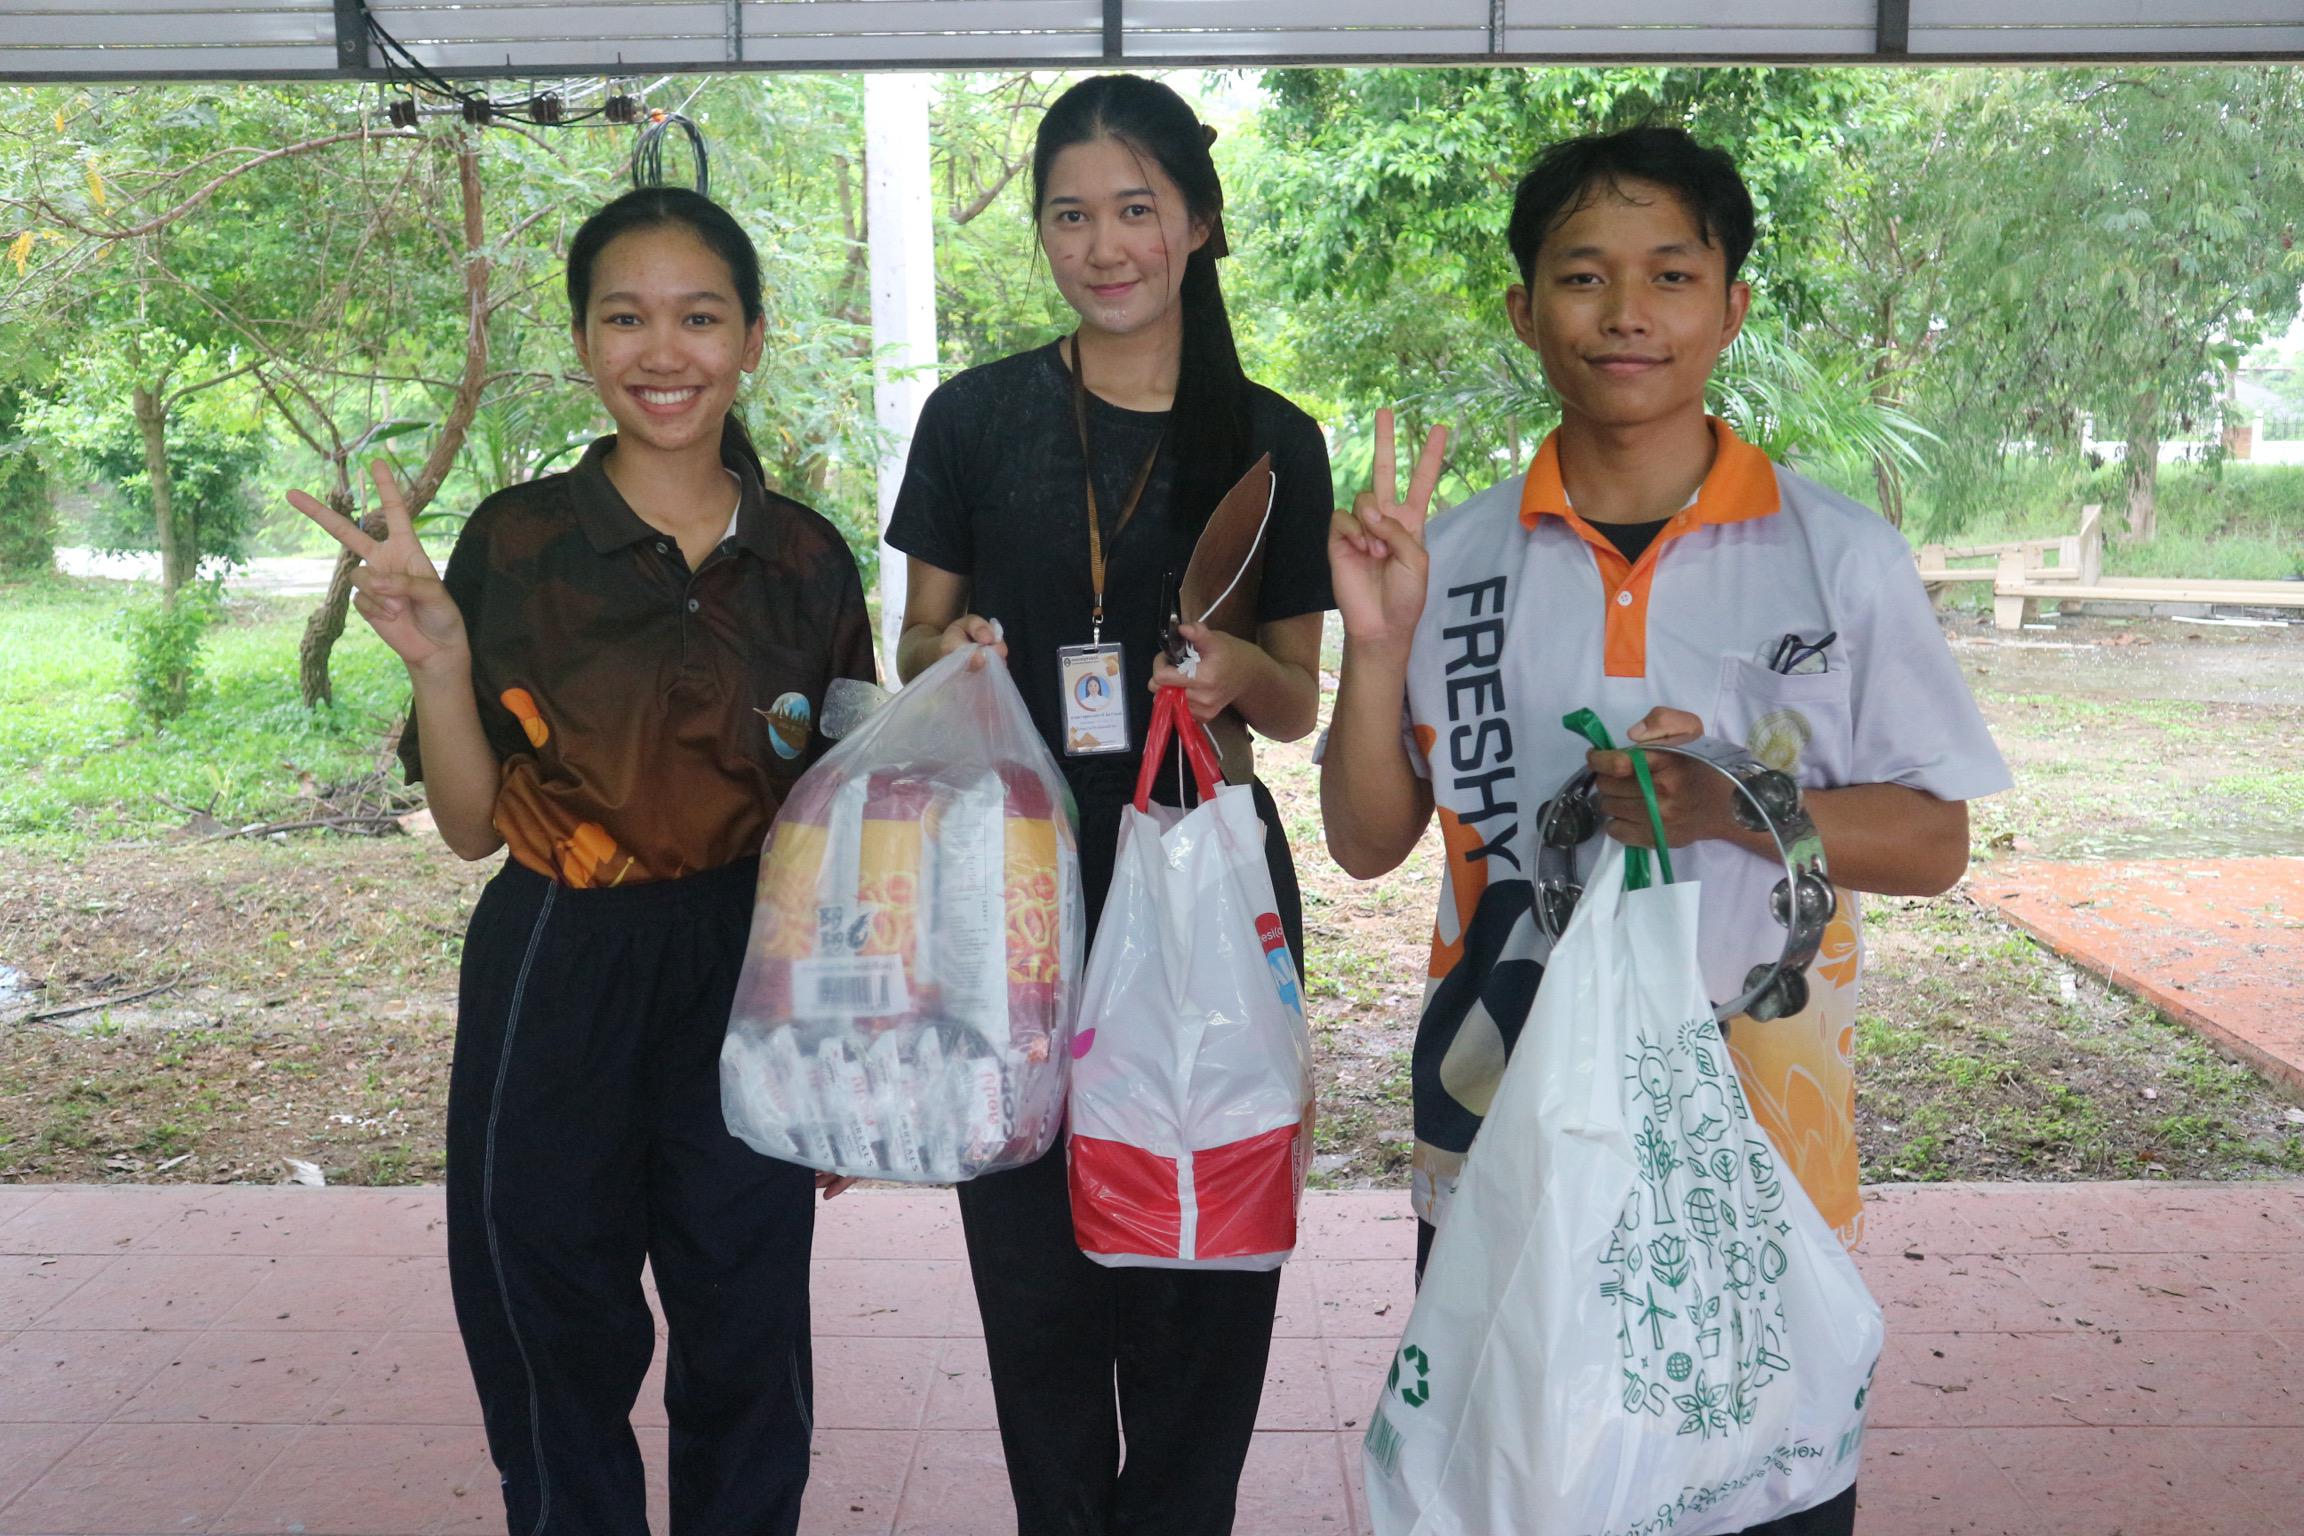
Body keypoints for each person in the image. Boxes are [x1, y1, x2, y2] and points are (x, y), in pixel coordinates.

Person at [1319, 125, 2009, 1536]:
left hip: (1759, 1136)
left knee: (1758, 1495)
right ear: (1524, 311)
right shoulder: (1455, 556)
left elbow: (1934, 844)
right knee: (1517, 1490)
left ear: (1732, 304)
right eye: (1582, 275)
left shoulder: (1835, 556)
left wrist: (1743, 812)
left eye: (1672, 273)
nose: (1627, 311)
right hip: (1507, 1127)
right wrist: (1375, 652)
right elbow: (1366, 841)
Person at [288, 185, 875, 1534]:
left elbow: (836, 823)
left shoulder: (805, 561)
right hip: (560, 956)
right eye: (626, 317)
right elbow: (468, 821)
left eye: (698, 317)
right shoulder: (521, 541)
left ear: (754, 340)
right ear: (580, 340)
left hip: (746, 968)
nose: (661, 352)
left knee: (748, 1324)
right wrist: (441, 663)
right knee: (552, 1314)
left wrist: (832, 1044)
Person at [885, 73, 1334, 1536]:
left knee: (1203, 1248)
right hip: (1012, 878)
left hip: (1203, 873)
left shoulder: (1270, 444)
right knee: (1035, 1277)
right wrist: (947, 657)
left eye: (1136, 209)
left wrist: (1232, 670)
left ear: (1199, 223)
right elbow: (913, 642)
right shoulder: (975, 418)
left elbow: (1299, 700)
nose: (1104, 245)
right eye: (1070, 216)